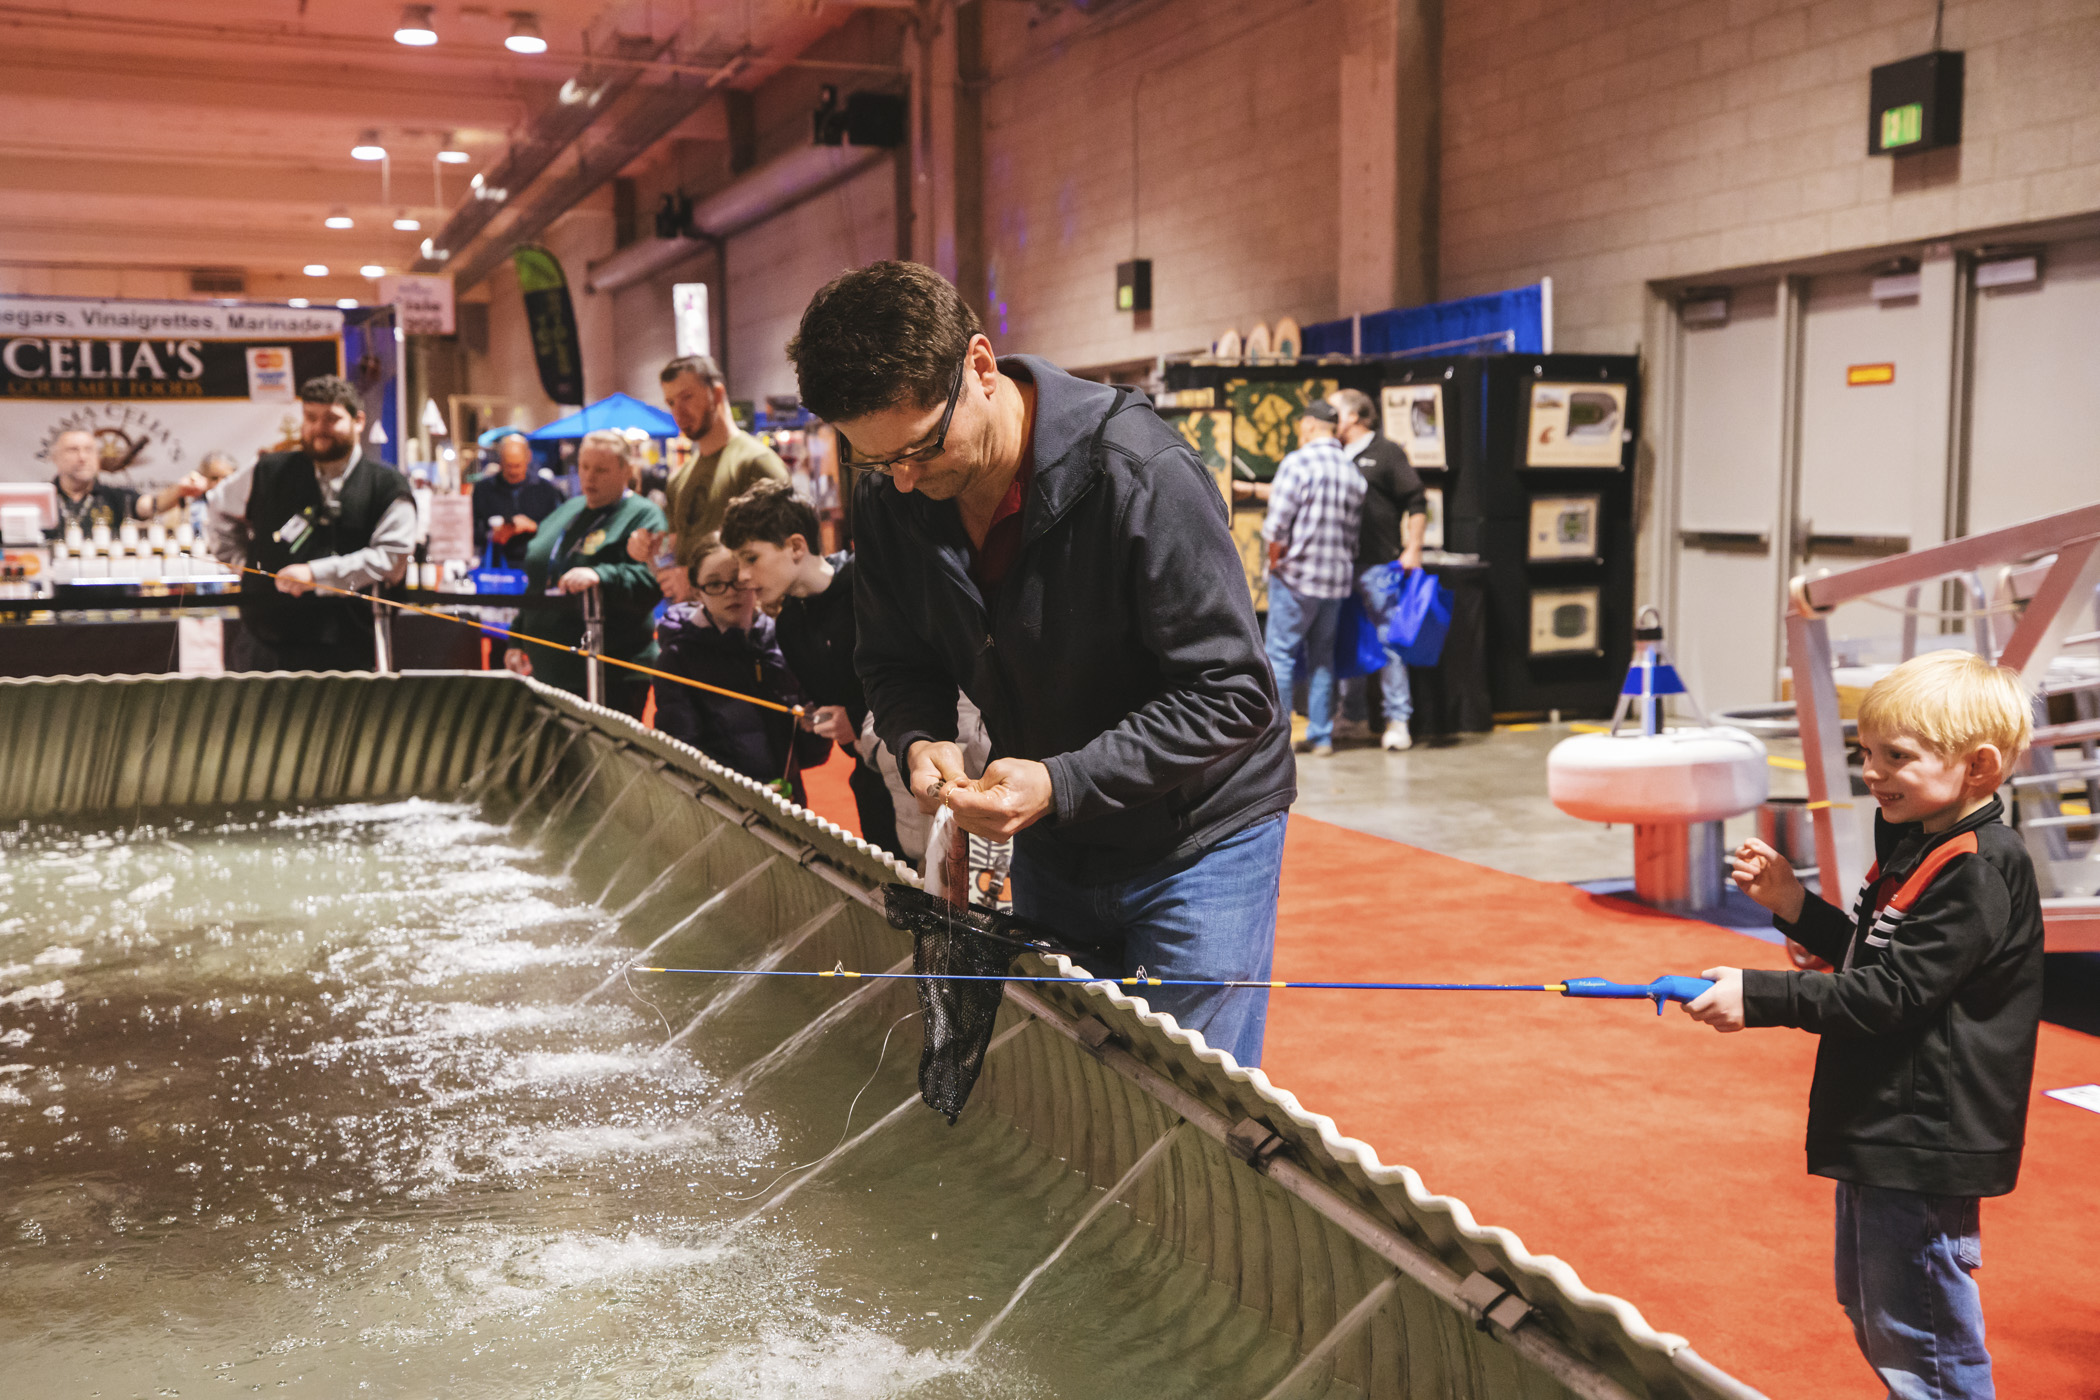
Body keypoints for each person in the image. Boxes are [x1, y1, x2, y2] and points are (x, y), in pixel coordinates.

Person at [789, 260, 1293, 1067]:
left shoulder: (1139, 474)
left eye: (920, 447)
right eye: (878, 461)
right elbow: (892, 658)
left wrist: (1063, 782)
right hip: (1053, 833)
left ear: (980, 368)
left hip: (1198, 833)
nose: (907, 478)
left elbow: (1233, 692)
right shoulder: (896, 496)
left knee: (1194, 1106)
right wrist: (920, 739)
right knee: (1083, 1076)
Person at [1685, 650, 2043, 1399]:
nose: (1872, 773)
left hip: (1923, 1132)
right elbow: (1874, 955)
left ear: (1977, 767)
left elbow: (1890, 993)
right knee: (1878, 1312)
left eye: (1896, 757)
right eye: (1866, 754)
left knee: (1923, 1339)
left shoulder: (1974, 867)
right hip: (1885, 1118)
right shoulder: (1921, 841)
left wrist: (1761, 996)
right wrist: (1796, 907)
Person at [721, 479, 904, 859]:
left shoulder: (870, 585)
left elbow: (922, 676)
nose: (741, 575)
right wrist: (815, 719)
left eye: (750, 558)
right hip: (871, 783)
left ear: (796, 546)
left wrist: (855, 716)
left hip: (920, 772)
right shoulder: (788, 624)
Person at [204, 376, 417, 672]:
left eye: (331, 419)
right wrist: (243, 562)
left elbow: (391, 557)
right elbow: (217, 507)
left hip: (350, 645)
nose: (319, 428)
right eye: (311, 418)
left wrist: (316, 575)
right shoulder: (267, 470)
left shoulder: (387, 485)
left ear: (359, 421)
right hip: (264, 643)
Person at [653, 531, 830, 801]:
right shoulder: (677, 657)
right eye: (714, 584)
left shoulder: (783, 638)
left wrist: (815, 726)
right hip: (722, 809)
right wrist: (743, 791)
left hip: (788, 801)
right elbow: (681, 753)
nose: (730, 593)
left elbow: (810, 755)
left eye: (738, 581)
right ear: (698, 591)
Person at [504, 429, 666, 717]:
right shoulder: (566, 510)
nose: (589, 477)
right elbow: (539, 582)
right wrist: (517, 639)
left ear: (625, 471)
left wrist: (601, 575)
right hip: (548, 670)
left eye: (601, 470)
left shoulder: (643, 515)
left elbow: (652, 582)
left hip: (610, 674)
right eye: (584, 467)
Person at [626, 354, 788, 605]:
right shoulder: (679, 478)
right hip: (694, 625)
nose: (678, 411)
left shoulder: (755, 461)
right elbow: (679, 546)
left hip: (747, 625)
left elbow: (778, 550)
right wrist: (648, 550)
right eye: (670, 402)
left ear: (717, 393)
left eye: (687, 397)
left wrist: (697, 579)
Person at [1261, 399, 1365, 759]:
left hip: (1295, 578)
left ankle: (1278, 739)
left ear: (1308, 426)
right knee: (1323, 659)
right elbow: (1353, 537)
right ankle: (1321, 737)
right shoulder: (1352, 472)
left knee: (1280, 656)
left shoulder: (1297, 462)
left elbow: (1276, 528)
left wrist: (1273, 564)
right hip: (1335, 581)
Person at [1330, 387, 1426, 752]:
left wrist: (1413, 548)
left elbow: (1416, 500)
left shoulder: (1387, 452)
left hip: (1378, 567)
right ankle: (1352, 718)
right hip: (1339, 567)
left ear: (1353, 415)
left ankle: (1398, 720)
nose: (1327, 415)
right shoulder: (1332, 454)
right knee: (1349, 642)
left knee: (1389, 644)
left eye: (1334, 410)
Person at [44, 427, 207, 540]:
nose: (82, 457)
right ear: (55, 458)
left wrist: (180, 489)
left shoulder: (113, 496)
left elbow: (152, 505)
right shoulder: (41, 496)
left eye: (89, 450)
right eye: (73, 450)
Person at [472, 432, 564, 568]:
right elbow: (473, 531)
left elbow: (558, 530)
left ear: (528, 458)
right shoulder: (483, 490)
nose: (513, 471)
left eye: (518, 466)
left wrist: (533, 527)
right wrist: (491, 534)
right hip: (495, 566)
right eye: (509, 466)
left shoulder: (546, 489)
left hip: (536, 565)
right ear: (500, 461)